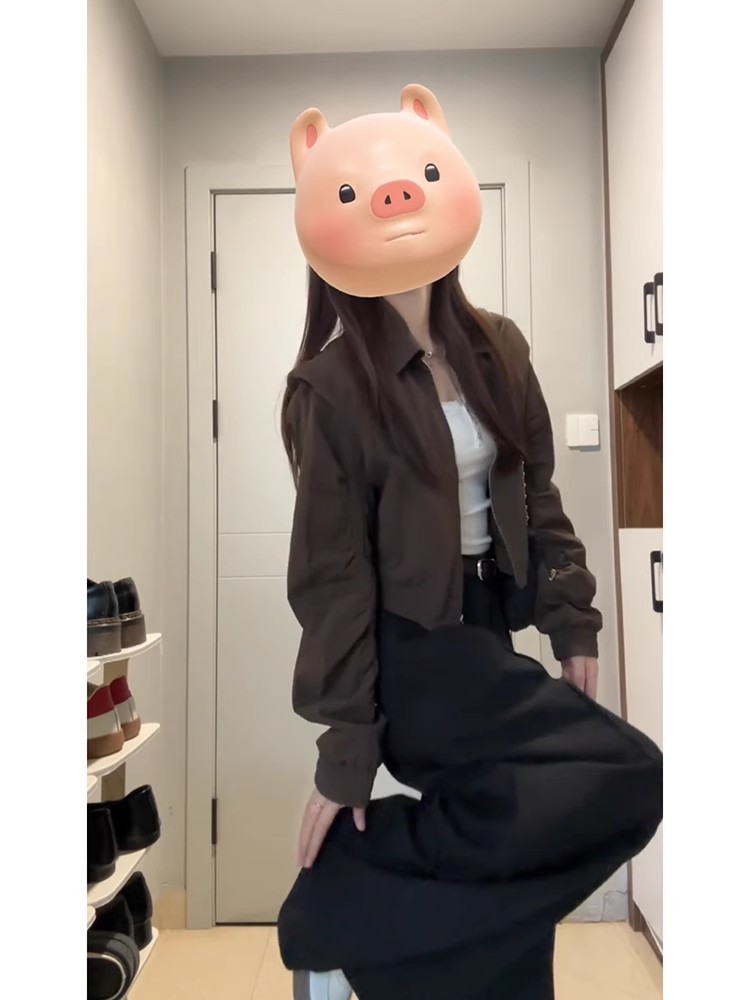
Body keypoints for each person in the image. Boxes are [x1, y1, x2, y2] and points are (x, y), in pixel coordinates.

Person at [278, 84, 662, 1000]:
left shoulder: (499, 348)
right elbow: (332, 577)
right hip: (409, 650)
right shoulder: (331, 388)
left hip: (487, 629)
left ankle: (414, 950)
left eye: (416, 175)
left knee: (520, 872)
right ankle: (348, 888)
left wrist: (570, 619)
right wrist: (347, 749)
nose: (394, 196)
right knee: (630, 773)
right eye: (357, 192)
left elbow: (536, 490)